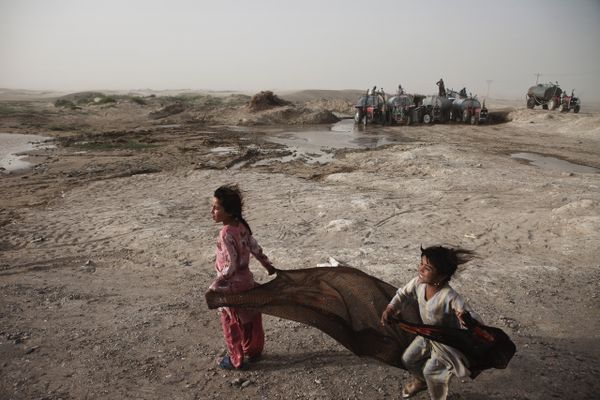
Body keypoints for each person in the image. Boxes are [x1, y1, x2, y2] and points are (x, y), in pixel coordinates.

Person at [381, 245, 480, 400]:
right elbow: (402, 294)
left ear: (441, 276)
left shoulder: (450, 296)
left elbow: (471, 316)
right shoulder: (418, 283)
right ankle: (421, 381)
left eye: (427, 268)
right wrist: (390, 308)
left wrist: (466, 320)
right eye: (421, 264)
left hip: (446, 343)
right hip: (427, 335)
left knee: (432, 373)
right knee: (408, 359)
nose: (420, 269)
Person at [208, 184, 275, 370]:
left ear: (228, 211)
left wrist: (215, 285)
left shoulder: (226, 233)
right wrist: (268, 266)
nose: (211, 211)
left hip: (231, 285)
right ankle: (253, 351)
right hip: (246, 281)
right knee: (249, 316)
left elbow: (231, 265)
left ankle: (235, 358)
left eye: (216, 207)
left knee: (229, 319)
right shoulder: (243, 226)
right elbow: (255, 248)